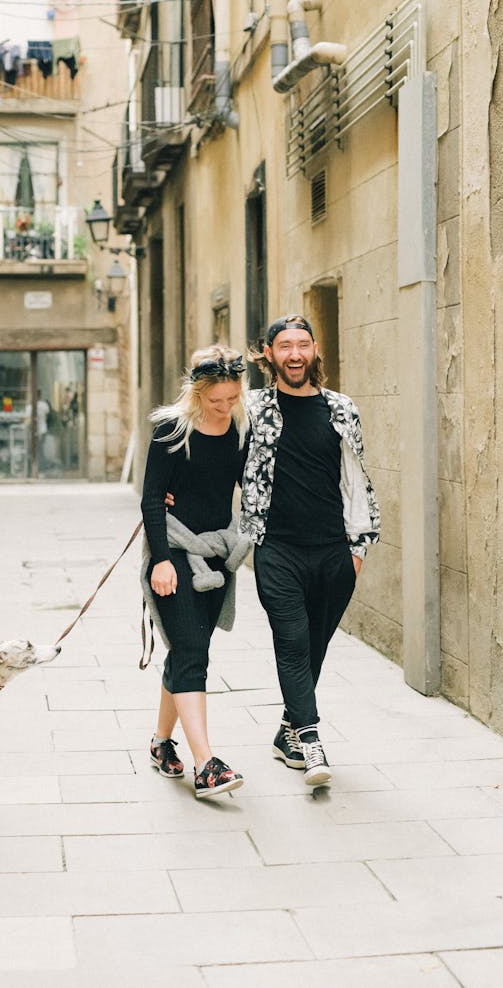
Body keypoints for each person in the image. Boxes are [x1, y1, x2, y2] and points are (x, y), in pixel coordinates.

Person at [241, 315, 380, 789]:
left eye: (303, 345)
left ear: (315, 350)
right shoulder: (251, 407)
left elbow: (356, 480)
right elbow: (214, 453)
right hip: (276, 548)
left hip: (334, 552)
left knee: (314, 646)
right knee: (293, 642)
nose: (295, 354)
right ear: (267, 353)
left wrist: (358, 549)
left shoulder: (341, 408)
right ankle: (311, 739)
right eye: (285, 346)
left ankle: (286, 735)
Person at [140, 345, 250, 799]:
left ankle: (161, 743)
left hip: (217, 553)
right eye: (215, 400)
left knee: (190, 650)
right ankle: (206, 764)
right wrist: (161, 560)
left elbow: (252, 485)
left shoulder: (241, 427)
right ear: (197, 393)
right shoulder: (173, 430)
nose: (224, 407)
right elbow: (151, 498)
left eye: (231, 398)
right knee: (191, 652)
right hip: (175, 552)